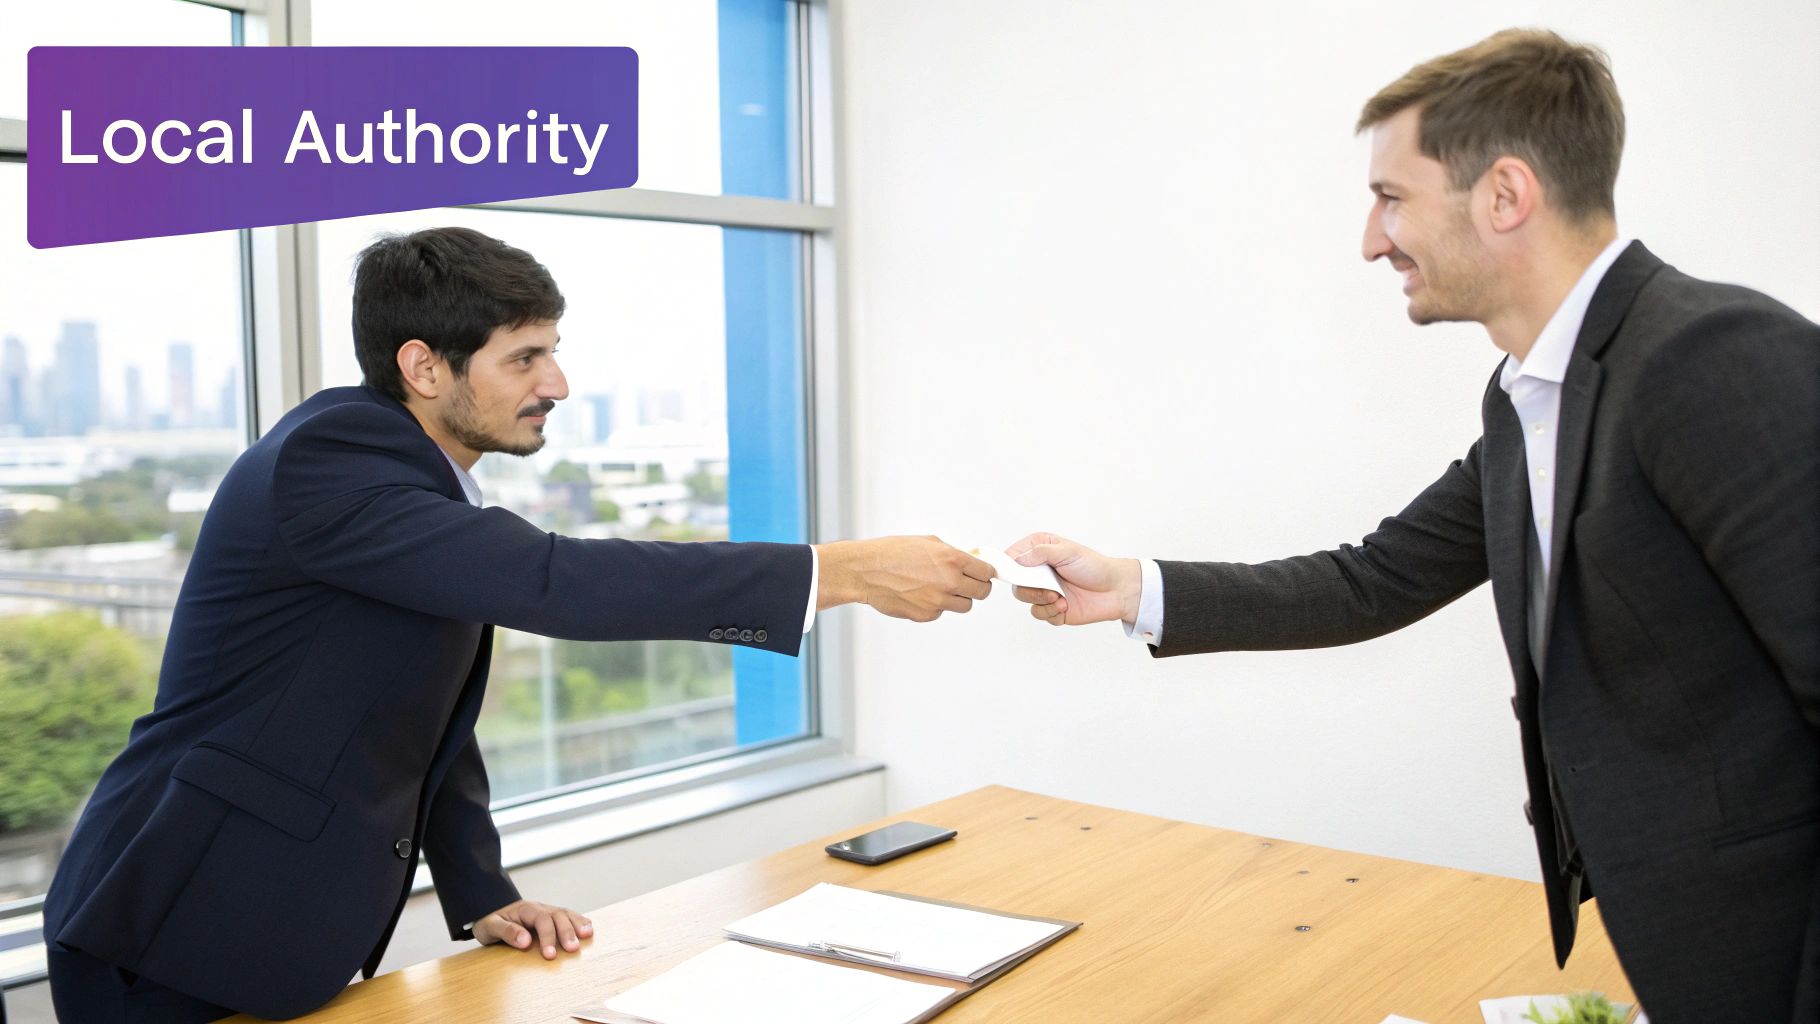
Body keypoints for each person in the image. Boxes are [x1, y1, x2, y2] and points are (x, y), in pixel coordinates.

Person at [1009, 28, 1819, 1023]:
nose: (1371, 240)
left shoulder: (1712, 358)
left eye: (1391, 198)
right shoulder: (1527, 401)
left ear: (1504, 194)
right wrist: (1133, 588)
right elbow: (1375, 578)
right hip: (1687, 953)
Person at [43, 226, 997, 1022]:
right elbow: (556, 581)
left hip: (259, 923)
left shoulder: (413, 485)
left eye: (552, 350)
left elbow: (418, 712)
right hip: (172, 921)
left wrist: (481, 892)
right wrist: (839, 571)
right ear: (423, 366)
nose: (558, 383)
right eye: (525, 357)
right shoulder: (333, 459)